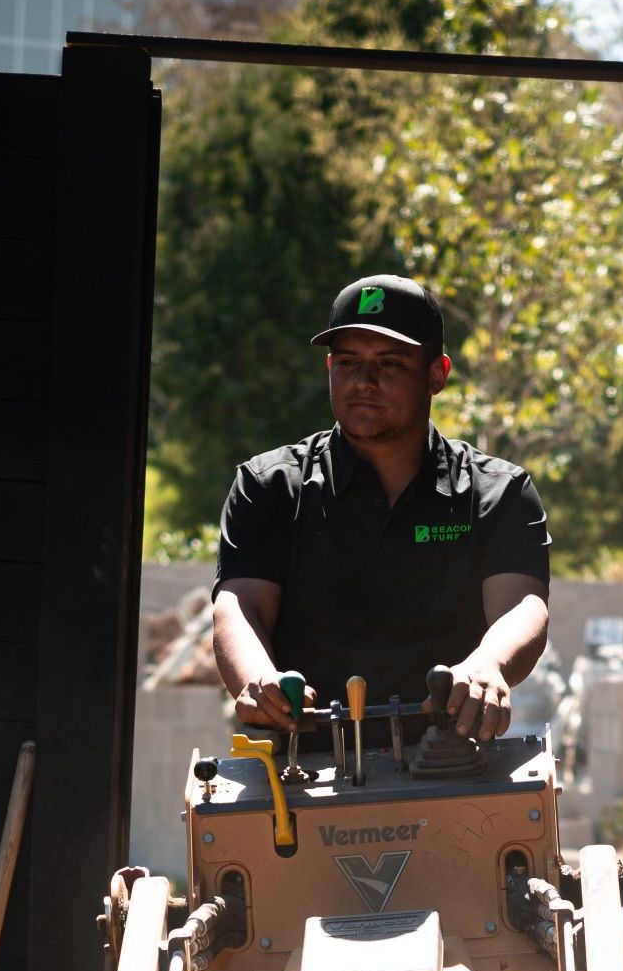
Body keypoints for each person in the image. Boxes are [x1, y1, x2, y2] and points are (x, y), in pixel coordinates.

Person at [212, 274, 551, 746]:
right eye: (348, 362)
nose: (363, 381)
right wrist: (257, 678)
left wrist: (487, 665)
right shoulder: (268, 487)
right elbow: (239, 604)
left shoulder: (499, 493)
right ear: (329, 367)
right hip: (298, 769)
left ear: (437, 374)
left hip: (455, 765)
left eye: (389, 363)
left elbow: (522, 606)